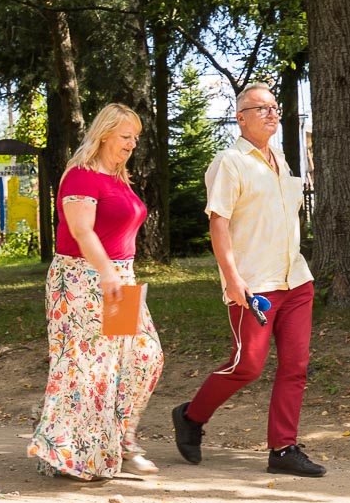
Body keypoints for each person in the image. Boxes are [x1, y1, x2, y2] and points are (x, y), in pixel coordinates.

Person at [171, 83, 326, 478]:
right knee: (248, 365)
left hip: (296, 281)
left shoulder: (280, 158)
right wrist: (232, 279)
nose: (272, 114)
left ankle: (283, 448)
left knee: (295, 366)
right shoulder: (229, 162)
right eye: (262, 109)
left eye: (274, 108)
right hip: (255, 286)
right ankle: (190, 416)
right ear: (241, 118)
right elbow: (219, 224)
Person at [30, 103, 165, 480]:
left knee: (143, 358)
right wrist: (106, 272)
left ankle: (120, 440)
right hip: (81, 279)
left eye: (135, 137)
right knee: (87, 368)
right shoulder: (82, 175)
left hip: (119, 278)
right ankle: (69, 452)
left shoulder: (119, 178)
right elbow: (81, 230)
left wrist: (117, 274)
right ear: (104, 134)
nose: (132, 144)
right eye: (125, 136)